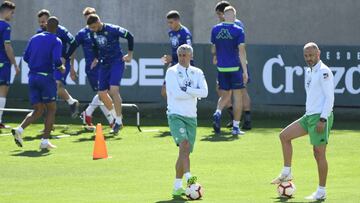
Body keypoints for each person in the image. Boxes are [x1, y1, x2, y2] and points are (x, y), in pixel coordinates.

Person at [271, 42, 334, 201]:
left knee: (319, 154)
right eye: (306, 56)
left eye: (311, 55)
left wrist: (322, 119)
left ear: (318, 53)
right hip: (309, 116)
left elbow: (329, 98)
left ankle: (321, 191)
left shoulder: (324, 72)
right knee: (284, 136)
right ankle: (287, 171)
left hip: (320, 117)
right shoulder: (309, 71)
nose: (309, 58)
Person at [12, 16, 65, 149]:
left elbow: (26, 57)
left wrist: (36, 64)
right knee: (52, 108)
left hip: (32, 77)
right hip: (46, 78)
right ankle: (44, 141)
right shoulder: (57, 40)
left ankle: (19, 129)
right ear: (57, 28)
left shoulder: (34, 38)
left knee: (38, 109)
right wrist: (61, 67)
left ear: (46, 25)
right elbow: (57, 59)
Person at [165, 44, 208, 196]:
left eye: (185, 55)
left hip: (191, 117)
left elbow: (204, 92)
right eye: (180, 55)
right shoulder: (172, 71)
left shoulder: (197, 72)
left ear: (191, 56)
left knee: (184, 153)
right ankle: (189, 177)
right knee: (184, 144)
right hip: (175, 114)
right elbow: (176, 94)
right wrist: (193, 93)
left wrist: (188, 90)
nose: (183, 57)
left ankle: (177, 186)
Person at [87, 14, 134, 134]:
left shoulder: (112, 29)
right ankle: (117, 118)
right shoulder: (93, 33)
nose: (92, 29)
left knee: (113, 90)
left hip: (116, 62)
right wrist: (96, 58)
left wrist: (129, 54)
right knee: (101, 94)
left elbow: (129, 36)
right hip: (104, 64)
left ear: (98, 22)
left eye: (94, 26)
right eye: (91, 27)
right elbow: (96, 47)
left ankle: (117, 121)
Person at [73, 7, 114, 128]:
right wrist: (71, 67)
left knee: (104, 93)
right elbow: (72, 49)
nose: (90, 19)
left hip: (104, 65)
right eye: (87, 18)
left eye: (92, 17)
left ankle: (88, 113)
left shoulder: (102, 31)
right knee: (103, 93)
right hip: (92, 68)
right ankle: (112, 120)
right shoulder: (82, 34)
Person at [211, 6, 248, 136]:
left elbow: (213, 48)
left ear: (224, 16)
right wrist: (245, 70)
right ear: (233, 16)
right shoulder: (238, 30)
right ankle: (236, 127)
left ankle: (218, 112)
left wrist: (216, 57)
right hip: (235, 68)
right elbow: (242, 51)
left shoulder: (215, 29)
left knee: (225, 95)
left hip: (222, 68)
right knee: (237, 96)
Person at [37, 9, 79, 118]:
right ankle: (71, 102)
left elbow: (74, 43)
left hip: (61, 64)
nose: (42, 24)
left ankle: (69, 103)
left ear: (49, 21)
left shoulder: (61, 30)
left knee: (55, 86)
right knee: (48, 91)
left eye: (44, 21)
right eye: (40, 22)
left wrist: (65, 57)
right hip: (48, 65)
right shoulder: (39, 33)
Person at [161, 10, 193, 98]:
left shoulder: (185, 34)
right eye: (168, 23)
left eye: (171, 22)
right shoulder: (171, 33)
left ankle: (181, 110)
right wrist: (169, 58)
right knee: (164, 91)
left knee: (182, 92)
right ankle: (175, 108)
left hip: (184, 66)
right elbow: (175, 49)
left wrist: (173, 57)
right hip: (174, 63)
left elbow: (189, 53)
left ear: (177, 21)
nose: (169, 25)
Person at [0, 1, 19, 128]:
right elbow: (7, 46)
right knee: (2, 91)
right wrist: (15, 64)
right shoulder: (6, 26)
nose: (12, 16)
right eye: (12, 13)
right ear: (6, 11)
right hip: (2, 62)